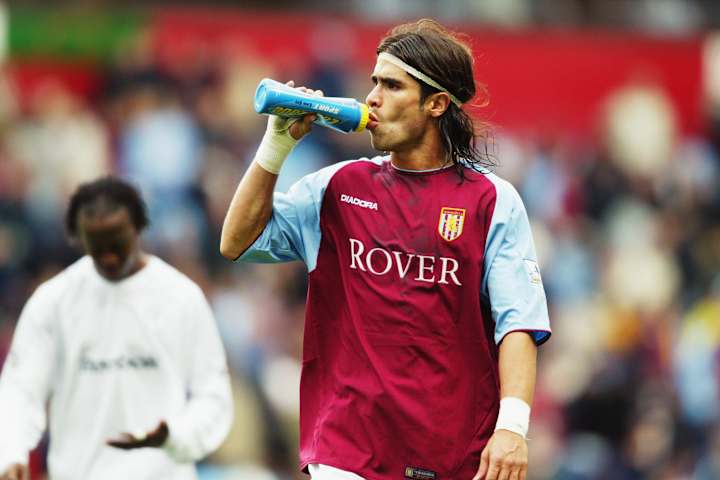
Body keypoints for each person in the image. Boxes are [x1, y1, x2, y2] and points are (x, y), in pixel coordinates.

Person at [220, 19, 551, 480]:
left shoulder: (491, 201)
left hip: (451, 451)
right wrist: (275, 148)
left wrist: (513, 428)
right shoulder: (338, 186)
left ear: (436, 104)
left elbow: (518, 323)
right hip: (346, 451)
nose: (372, 97)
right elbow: (237, 242)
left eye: (392, 86)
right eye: (374, 82)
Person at [0, 177, 233, 480]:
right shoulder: (53, 302)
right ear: (78, 237)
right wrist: (10, 454)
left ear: (138, 228)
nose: (108, 256)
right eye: (96, 246)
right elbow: (20, 391)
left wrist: (174, 436)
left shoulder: (181, 297)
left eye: (117, 243)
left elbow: (213, 397)